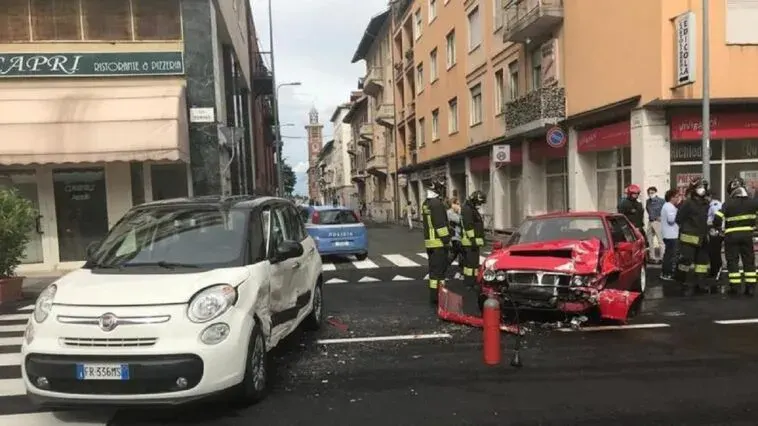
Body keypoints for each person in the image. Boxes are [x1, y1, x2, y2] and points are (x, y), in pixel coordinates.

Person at [713, 177, 758, 296]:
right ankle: (751, 288)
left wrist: (718, 228)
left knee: (732, 261)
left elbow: (717, 218)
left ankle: (735, 287)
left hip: (731, 236)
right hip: (748, 235)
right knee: (749, 261)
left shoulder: (728, 203)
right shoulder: (753, 202)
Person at [675, 177, 712, 296]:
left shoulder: (706, 203)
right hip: (689, 238)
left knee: (702, 263)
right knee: (685, 262)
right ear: (694, 189)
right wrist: (688, 228)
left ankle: (700, 284)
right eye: (700, 187)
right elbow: (679, 219)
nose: (702, 189)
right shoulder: (688, 203)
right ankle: (682, 282)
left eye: (704, 187)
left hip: (702, 238)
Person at [421, 178, 451, 304]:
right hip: (438, 243)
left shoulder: (426, 204)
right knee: (440, 273)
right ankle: (440, 296)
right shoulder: (437, 204)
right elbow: (440, 225)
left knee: (433, 273)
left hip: (430, 243)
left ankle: (434, 296)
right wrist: (446, 240)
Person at [460, 190, 487, 290]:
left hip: (472, 242)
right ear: (475, 200)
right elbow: (469, 226)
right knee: (471, 264)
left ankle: (470, 281)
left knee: (471, 265)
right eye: (479, 202)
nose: (480, 205)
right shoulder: (467, 209)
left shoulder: (470, 208)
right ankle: (470, 282)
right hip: (470, 242)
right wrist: (473, 239)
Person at [660, 189, 680, 280]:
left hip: (670, 234)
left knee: (669, 254)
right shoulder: (669, 207)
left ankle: (666, 272)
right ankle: (667, 273)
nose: (678, 199)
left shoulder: (668, 206)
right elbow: (671, 220)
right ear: (671, 198)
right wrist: (679, 214)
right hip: (671, 235)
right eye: (677, 197)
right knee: (670, 255)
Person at [706, 191, 724, 282]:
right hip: (713, 231)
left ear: (709, 197)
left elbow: (719, 218)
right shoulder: (711, 205)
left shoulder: (715, 205)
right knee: (712, 252)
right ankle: (714, 271)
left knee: (715, 252)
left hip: (716, 231)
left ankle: (717, 271)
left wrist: (716, 229)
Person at [645, 186, 665, 264]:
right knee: (650, 240)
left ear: (656, 192)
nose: (651, 194)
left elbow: (664, 210)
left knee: (660, 241)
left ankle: (662, 257)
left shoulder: (661, 201)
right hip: (650, 222)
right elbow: (648, 209)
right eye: (649, 193)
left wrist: (661, 217)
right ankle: (652, 257)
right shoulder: (648, 201)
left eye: (652, 192)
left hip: (658, 222)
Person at [446, 197, 464, 280]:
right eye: (457, 204)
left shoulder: (454, 212)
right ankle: (460, 273)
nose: (459, 205)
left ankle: (460, 273)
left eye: (459, 204)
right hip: (455, 238)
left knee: (454, 255)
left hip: (459, 237)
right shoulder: (449, 212)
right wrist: (460, 211)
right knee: (459, 255)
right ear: (452, 204)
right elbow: (459, 221)